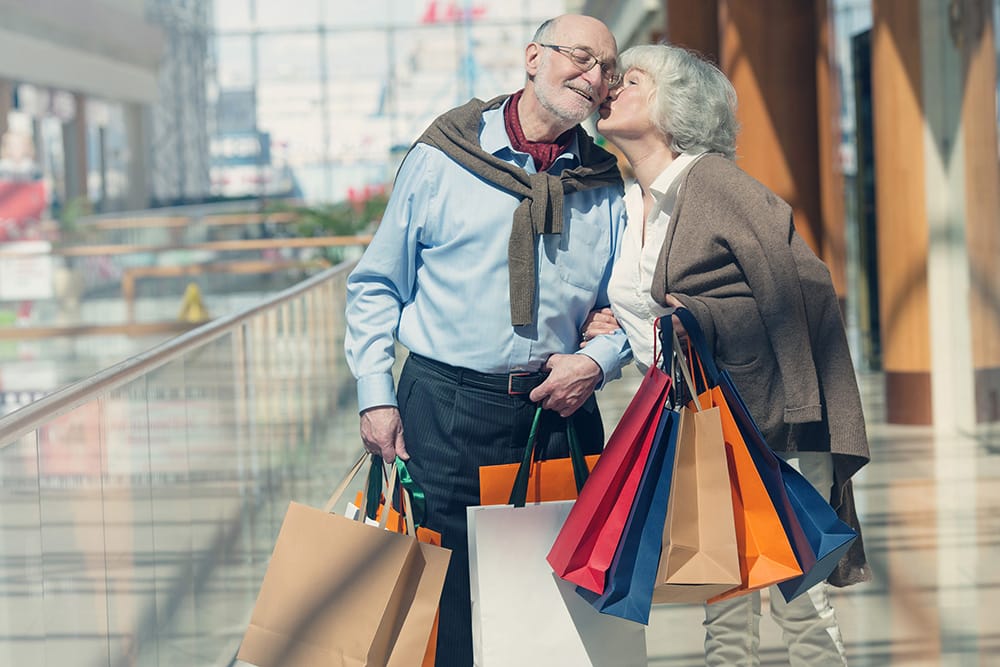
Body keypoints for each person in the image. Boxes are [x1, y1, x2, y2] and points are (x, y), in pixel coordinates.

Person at [344, 15, 631, 666]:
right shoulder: (443, 156)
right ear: (533, 58)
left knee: (554, 625)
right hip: (443, 409)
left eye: (607, 68)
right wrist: (375, 393)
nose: (594, 77)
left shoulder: (605, 181)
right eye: (580, 57)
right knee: (441, 613)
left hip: (558, 415)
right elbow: (377, 283)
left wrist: (598, 360)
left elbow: (627, 305)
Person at [584, 43, 872, 666]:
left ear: (674, 105)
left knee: (800, 605)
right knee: (725, 601)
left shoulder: (712, 181)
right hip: (700, 425)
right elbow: (648, 305)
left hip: (770, 422)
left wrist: (795, 404)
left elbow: (802, 283)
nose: (611, 88)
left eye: (631, 80)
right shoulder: (626, 201)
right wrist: (609, 321)